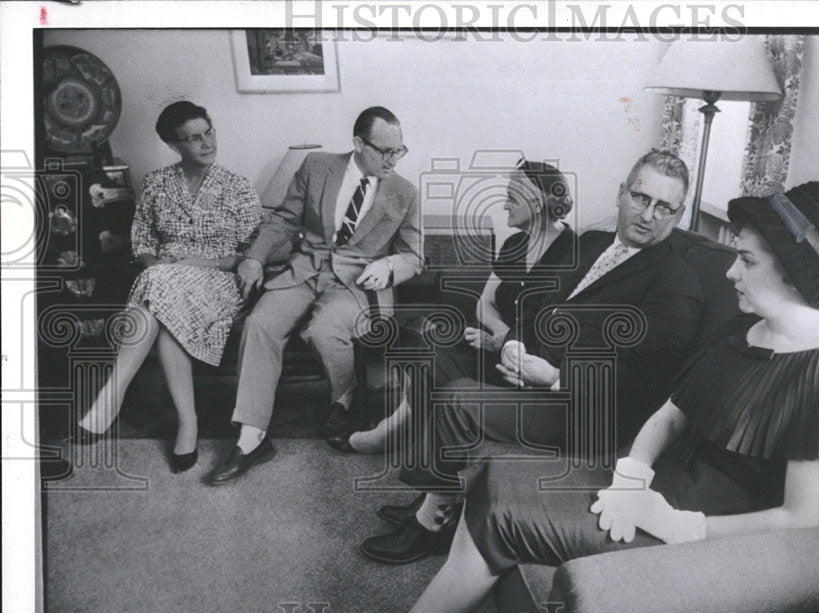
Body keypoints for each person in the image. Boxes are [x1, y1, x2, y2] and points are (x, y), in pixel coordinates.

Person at [364, 181, 819, 613]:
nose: (730, 272)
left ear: (793, 270)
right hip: (652, 489)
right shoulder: (744, 331)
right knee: (497, 480)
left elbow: (803, 521)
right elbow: (672, 414)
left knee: (504, 512)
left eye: (745, 260)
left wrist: (682, 526)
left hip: (705, 529)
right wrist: (634, 473)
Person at [360, 150, 704, 564]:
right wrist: (512, 346)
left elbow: (639, 381)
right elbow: (542, 307)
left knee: (457, 400)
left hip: (582, 408)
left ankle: (430, 522)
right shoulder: (594, 243)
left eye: (664, 207)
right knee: (435, 359)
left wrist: (554, 377)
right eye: (641, 198)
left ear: (679, 214)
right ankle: (438, 492)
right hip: (532, 366)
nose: (648, 214)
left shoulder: (676, 285)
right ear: (621, 194)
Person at [205, 106, 422, 485]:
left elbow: (414, 256)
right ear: (358, 144)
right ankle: (251, 437)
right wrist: (255, 257)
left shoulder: (404, 193)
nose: (393, 159)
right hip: (304, 270)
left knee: (322, 332)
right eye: (384, 151)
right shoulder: (317, 166)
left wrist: (388, 267)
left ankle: (344, 399)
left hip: (358, 282)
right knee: (259, 324)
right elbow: (285, 220)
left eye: (399, 151)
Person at [48, 101, 264, 477]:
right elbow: (142, 244)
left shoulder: (238, 188)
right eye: (192, 138)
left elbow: (248, 255)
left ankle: (111, 397)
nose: (205, 142)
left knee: (158, 289)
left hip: (217, 282)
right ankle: (188, 423)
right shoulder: (156, 184)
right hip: (164, 282)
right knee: (161, 289)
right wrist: (157, 264)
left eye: (208, 132)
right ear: (173, 144)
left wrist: (195, 264)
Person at [345, 158, 575, 453]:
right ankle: (399, 428)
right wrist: (500, 334)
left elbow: (550, 334)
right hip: (498, 349)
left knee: (439, 361)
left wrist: (502, 343)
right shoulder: (515, 245)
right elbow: (484, 302)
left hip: (526, 372)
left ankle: (395, 431)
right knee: (429, 349)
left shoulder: (571, 256)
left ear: (537, 202)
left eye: (511, 198)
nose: (505, 206)